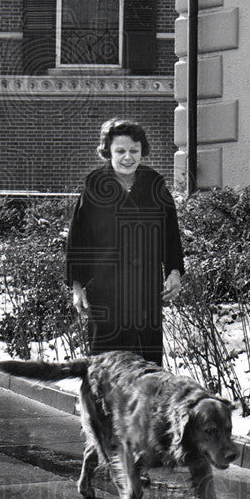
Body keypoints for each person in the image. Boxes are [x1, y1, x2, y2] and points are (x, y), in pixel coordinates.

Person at [66, 118, 184, 366]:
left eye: (134, 150)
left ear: (143, 151)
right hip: (105, 293)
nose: (127, 157)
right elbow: (78, 242)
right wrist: (77, 286)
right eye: (120, 151)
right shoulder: (94, 187)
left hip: (145, 292)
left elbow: (170, 234)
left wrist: (174, 272)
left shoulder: (155, 186)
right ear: (108, 152)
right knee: (106, 368)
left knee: (146, 367)